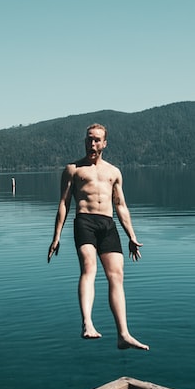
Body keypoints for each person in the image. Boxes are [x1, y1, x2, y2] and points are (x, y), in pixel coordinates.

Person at [48, 123, 149, 350]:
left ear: (104, 144)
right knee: (89, 267)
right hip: (84, 222)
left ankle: (123, 334)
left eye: (96, 140)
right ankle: (88, 323)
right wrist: (56, 236)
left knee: (117, 275)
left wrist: (131, 236)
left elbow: (121, 205)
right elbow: (63, 204)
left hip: (108, 223)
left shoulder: (114, 172)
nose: (91, 144)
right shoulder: (73, 169)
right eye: (88, 139)